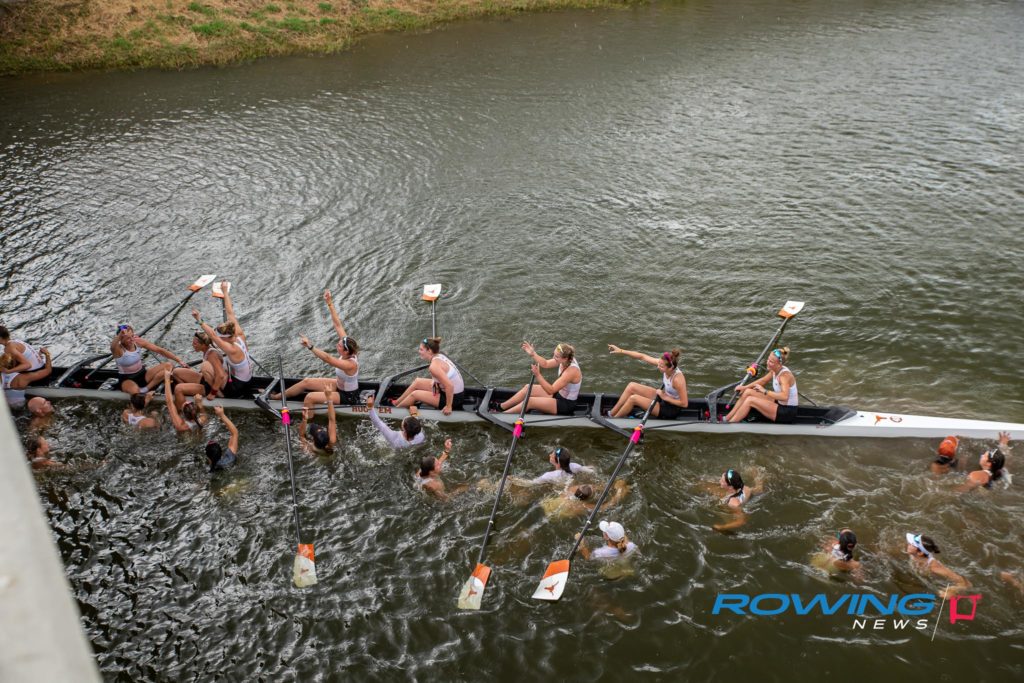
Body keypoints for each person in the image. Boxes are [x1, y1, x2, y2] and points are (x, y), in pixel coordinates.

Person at [192, 283, 255, 399]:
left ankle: (216, 394)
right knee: (219, 365)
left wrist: (199, 319)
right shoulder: (239, 335)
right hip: (248, 380)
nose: (218, 338)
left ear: (225, 337)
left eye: (219, 337)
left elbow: (212, 335)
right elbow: (230, 312)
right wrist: (225, 291)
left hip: (237, 387)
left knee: (206, 366)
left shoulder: (231, 349)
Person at [500, 342, 582, 416]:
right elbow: (545, 364)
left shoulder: (571, 371)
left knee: (530, 401)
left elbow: (551, 390)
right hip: (558, 394)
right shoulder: (565, 360)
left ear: (565, 358)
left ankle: (502, 416)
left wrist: (538, 375)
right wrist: (533, 354)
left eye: (556, 356)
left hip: (565, 404)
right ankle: (500, 407)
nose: (553, 357)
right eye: (554, 354)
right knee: (528, 388)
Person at [605, 345, 688, 418]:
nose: (658, 366)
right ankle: (611, 414)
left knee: (633, 399)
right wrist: (621, 351)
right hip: (663, 398)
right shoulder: (665, 363)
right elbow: (642, 356)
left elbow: (684, 404)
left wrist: (665, 397)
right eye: (659, 364)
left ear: (670, 368)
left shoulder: (678, 380)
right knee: (631, 386)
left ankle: (614, 420)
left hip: (671, 409)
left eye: (661, 366)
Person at [391, 338, 464, 416]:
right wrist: (436, 382)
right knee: (418, 382)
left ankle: (394, 412)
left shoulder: (434, 366)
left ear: (429, 350)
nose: (419, 351)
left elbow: (450, 386)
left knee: (415, 394)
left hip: (453, 399)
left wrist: (448, 406)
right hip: (448, 391)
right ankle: (396, 403)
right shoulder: (439, 355)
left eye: (421, 349)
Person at [108, 323, 187, 396]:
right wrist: (120, 334)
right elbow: (112, 346)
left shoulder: (137, 341)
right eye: (128, 338)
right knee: (136, 394)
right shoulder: (118, 349)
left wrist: (179, 360)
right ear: (121, 339)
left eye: (132, 336)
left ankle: (146, 388)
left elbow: (160, 350)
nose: (132, 339)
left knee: (169, 365)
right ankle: (140, 392)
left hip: (142, 374)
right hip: (127, 379)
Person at [725, 347, 798, 424]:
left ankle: (731, 424)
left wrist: (765, 391)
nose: (767, 363)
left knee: (750, 400)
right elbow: (763, 380)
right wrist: (745, 387)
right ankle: (726, 418)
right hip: (779, 403)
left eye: (771, 362)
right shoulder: (775, 370)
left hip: (787, 412)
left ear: (779, 365)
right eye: (768, 359)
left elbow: (784, 397)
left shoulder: (784, 376)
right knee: (747, 391)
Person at [905, 533, 970, 598]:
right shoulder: (913, 554)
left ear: (920, 553)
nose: (908, 543)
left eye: (911, 544)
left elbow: (965, 583)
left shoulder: (934, 566)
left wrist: (952, 590)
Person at [171, 330, 226, 405]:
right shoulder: (207, 350)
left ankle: (184, 402)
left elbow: (220, 375)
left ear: (203, 345)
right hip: (205, 379)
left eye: (195, 343)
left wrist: (213, 392)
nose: (192, 345)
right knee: (176, 372)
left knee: (178, 388)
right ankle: (187, 392)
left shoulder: (212, 355)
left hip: (212, 387)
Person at [541, 480, 630, 518]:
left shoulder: (571, 489)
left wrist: (611, 486)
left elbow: (592, 487)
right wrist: (619, 492)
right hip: (550, 514)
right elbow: (604, 507)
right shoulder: (580, 506)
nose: (593, 486)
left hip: (545, 503)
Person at [206, 406, 239, 472]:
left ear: (208, 458)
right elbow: (235, 433)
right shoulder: (229, 458)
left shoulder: (208, 469)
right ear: (221, 453)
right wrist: (221, 415)